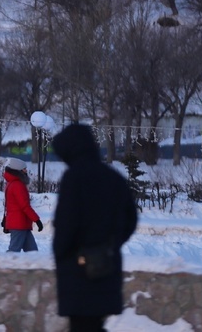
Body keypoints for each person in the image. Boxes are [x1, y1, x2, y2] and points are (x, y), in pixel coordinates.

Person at [51, 123, 138, 332]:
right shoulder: (113, 177)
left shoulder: (74, 178)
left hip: (78, 272)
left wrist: (61, 253)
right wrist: (110, 245)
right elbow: (131, 219)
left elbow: (66, 224)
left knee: (82, 326)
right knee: (94, 325)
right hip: (107, 267)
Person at [2, 156, 43, 252]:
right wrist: (37, 220)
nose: (26, 171)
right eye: (24, 169)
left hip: (22, 224)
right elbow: (25, 206)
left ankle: (34, 266)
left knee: (32, 252)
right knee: (13, 251)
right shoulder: (17, 185)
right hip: (18, 224)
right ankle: (4, 266)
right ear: (17, 170)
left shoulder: (12, 184)